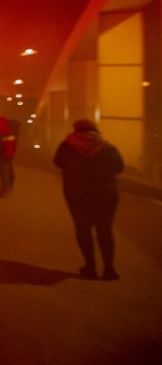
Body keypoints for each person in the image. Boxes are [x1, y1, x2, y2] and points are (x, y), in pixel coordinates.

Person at [54, 120, 124, 280]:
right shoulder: (107, 146)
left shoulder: (67, 145)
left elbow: (58, 162)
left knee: (83, 230)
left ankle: (90, 267)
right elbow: (120, 167)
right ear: (95, 130)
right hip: (106, 194)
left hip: (77, 193)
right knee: (105, 230)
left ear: (76, 129)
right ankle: (109, 269)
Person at [0, 115, 18, 196]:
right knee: (7, 172)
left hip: (2, 156)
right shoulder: (9, 131)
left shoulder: (4, 132)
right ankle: (7, 188)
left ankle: (4, 190)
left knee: (4, 173)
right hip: (6, 155)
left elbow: (4, 145)